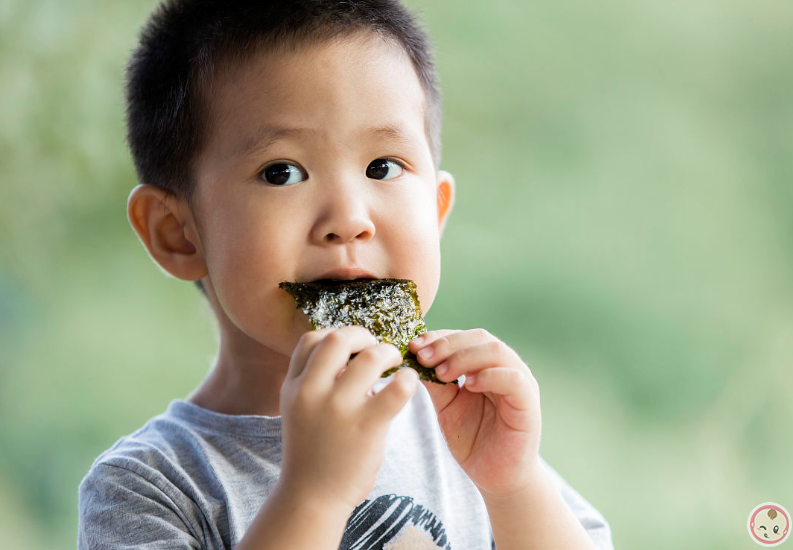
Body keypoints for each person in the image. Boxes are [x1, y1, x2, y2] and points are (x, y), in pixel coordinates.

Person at [76, 1, 615, 548]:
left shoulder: (465, 437)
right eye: (282, 172)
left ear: (435, 209)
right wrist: (315, 496)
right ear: (178, 232)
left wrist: (515, 487)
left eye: (383, 166)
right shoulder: (149, 486)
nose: (349, 220)